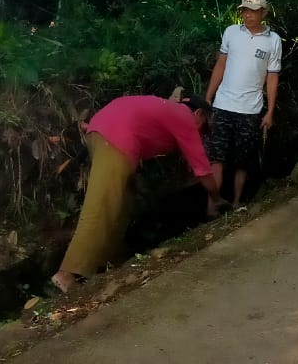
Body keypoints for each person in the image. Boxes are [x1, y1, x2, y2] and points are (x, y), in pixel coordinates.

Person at [52, 94, 225, 293]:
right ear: (199, 113)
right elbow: (202, 169)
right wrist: (216, 198)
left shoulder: (169, 109)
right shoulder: (184, 116)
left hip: (102, 131)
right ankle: (66, 274)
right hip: (116, 137)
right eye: (203, 128)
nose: (201, 134)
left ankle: (108, 263)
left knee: (121, 205)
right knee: (102, 205)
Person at [204, 0, 283, 209]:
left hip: (250, 109)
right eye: (245, 11)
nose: (248, 15)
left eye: (253, 11)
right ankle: (212, 207)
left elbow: (272, 76)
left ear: (263, 13)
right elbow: (220, 65)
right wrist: (208, 97)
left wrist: (270, 112)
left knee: (243, 160)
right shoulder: (231, 32)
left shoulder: (273, 41)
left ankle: (238, 201)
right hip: (222, 104)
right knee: (216, 157)